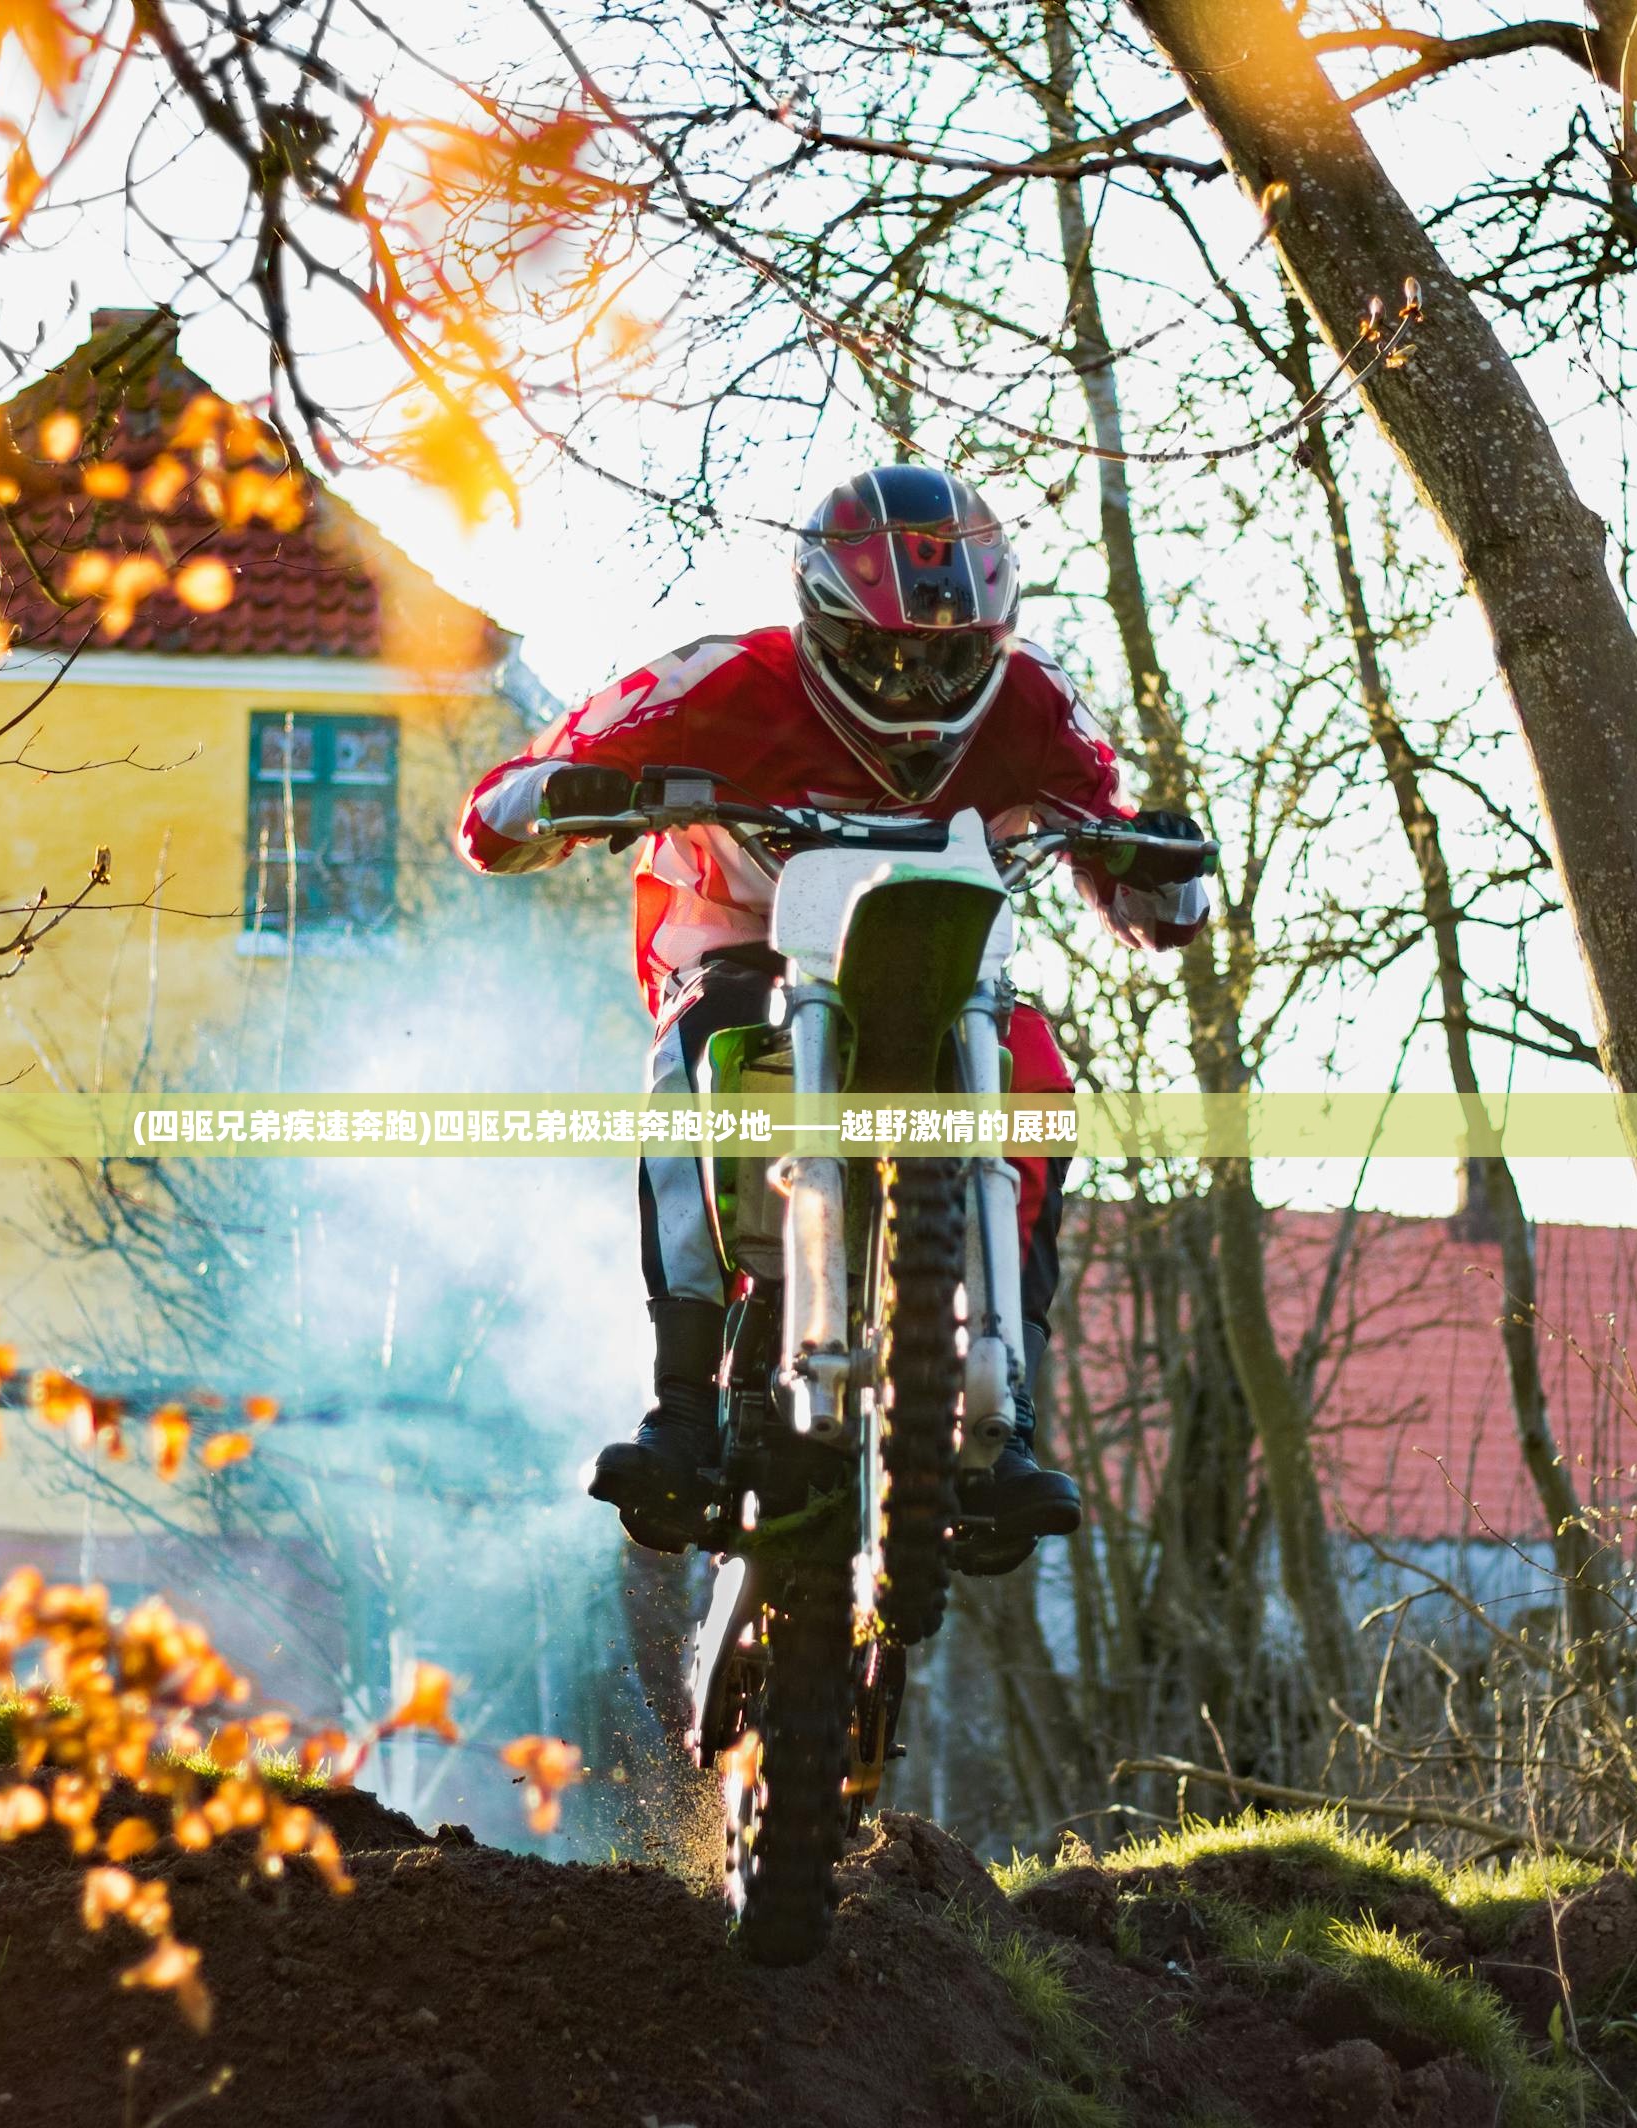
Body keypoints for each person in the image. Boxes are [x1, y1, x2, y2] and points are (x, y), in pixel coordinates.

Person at [455, 464, 1211, 1553]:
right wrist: (554, 795)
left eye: (948, 658)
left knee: (1037, 1071)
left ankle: (1007, 1417)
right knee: (707, 1051)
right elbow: (503, 809)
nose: (915, 690)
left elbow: (1129, 870)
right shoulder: (715, 680)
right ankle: (680, 1406)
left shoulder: (1036, 700)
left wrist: (1157, 869)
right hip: (742, 944)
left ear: (994, 636)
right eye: (886, 656)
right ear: (819, 621)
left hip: (944, 963)